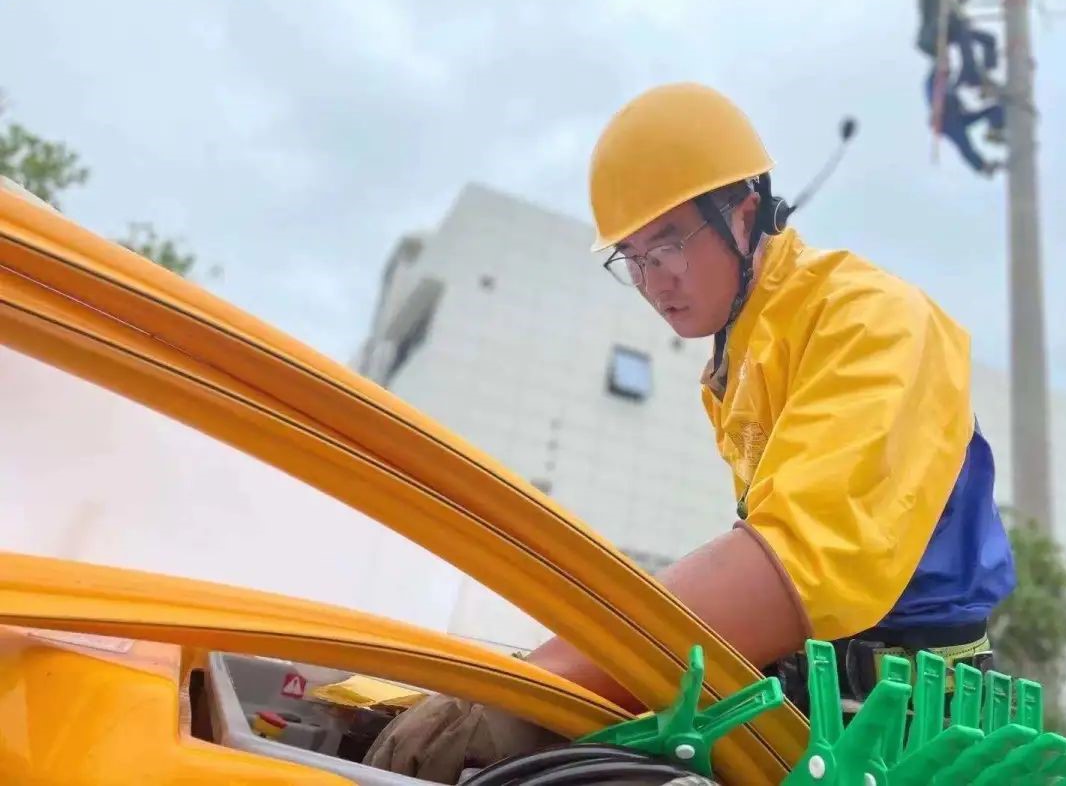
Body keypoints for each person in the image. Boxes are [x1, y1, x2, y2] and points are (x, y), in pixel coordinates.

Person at [364, 82, 1017, 782]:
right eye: (633, 257)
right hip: (825, 700)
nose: (655, 281)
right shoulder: (744, 351)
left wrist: (528, 687)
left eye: (669, 244)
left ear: (745, 214)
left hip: (912, 728)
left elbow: (791, 566)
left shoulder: (870, 322)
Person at [927, 64, 1006, 176]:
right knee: (964, 144)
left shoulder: (948, 86)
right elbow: (935, 101)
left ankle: (995, 129)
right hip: (947, 121)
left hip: (957, 117)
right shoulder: (933, 84)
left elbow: (959, 104)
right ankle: (982, 166)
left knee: (995, 109)